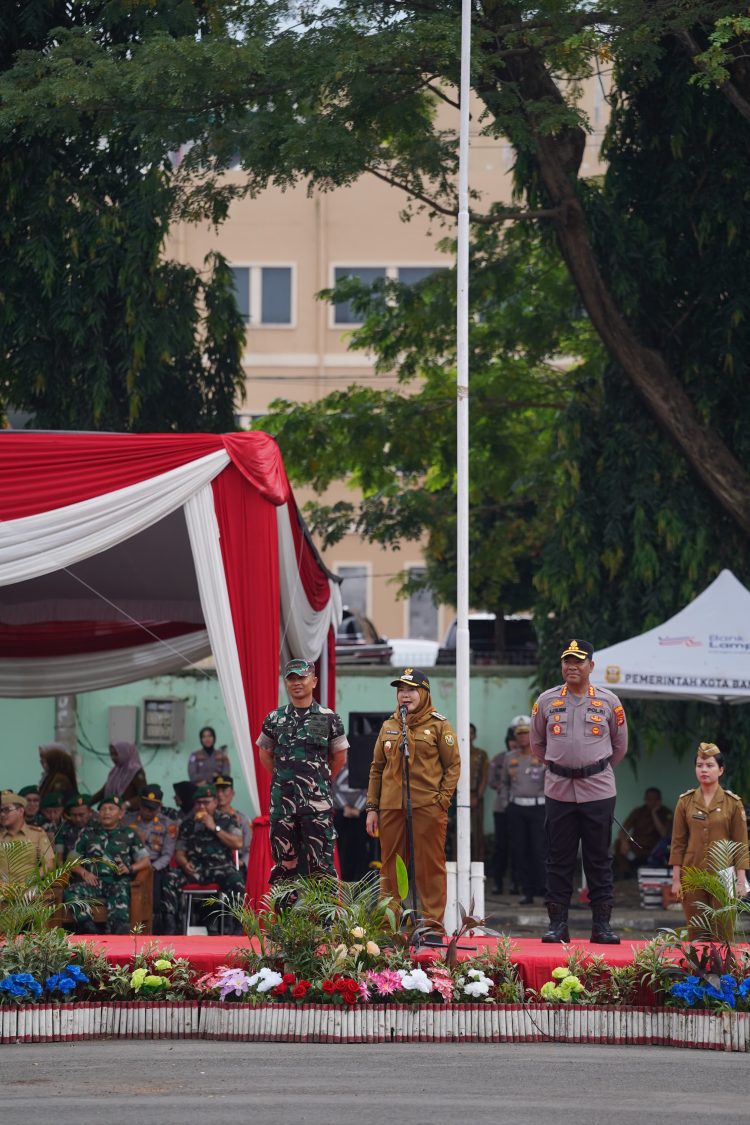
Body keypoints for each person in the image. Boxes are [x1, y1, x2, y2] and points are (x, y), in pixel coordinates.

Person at [530, 638, 628, 944]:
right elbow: (537, 745)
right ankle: (558, 924)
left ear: (591, 666)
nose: (572, 667)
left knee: (598, 859)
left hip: (598, 789)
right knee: (559, 859)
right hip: (558, 789)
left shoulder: (609, 702)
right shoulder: (545, 701)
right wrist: (564, 766)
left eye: (578, 661)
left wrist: (590, 769)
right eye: (567, 661)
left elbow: (619, 746)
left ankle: (602, 926)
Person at [366, 667, 460, 929]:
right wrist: (372, 807)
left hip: (428, 806)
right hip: (391, 808)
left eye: (411, 690)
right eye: (401, 690)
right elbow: (377, 768)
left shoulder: (439, 725)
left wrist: (442, 800)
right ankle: (389, 926)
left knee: (429, 868)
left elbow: (453, 766)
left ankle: (430, 926)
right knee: (391, 868)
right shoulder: (389, 725)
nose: (405, 695)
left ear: (424, 692)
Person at [257, 658, 349, 887]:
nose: (297, 682)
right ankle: (286, 922)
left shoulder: (329, 718)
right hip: (283, 805)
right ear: (286, 683)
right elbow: (265, 753)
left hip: (316, 806)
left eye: (302, 677)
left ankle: (324, 923)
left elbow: (339, 757)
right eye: (291, 678)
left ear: (314, 681)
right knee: (284, 866)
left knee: (321, 867)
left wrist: (321, 781)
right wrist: (282, 778)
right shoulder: (274, 718)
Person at [669, 742, 749, 939]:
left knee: (724, 933)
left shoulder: (733, 803)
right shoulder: (685, 801)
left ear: (721, 770)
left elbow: (740, 844)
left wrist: (741, 880)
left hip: (724, 875)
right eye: (699, 765)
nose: (704, 770)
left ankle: (725, 971)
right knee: (696, 930)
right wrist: (676, 879)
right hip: (692, 873)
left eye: (709, 765)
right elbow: (678, 842)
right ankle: (697, 971)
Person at [160, 784, 245, 933]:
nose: (201, 806)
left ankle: (236, 927)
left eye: (206, 802)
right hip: (196, 869)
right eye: (198, 803)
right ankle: (172, 927)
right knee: (169, 878)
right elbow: (180, 852)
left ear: (215, 802)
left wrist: (214, 827)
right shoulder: (188, 824)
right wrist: (185, 864)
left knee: (236, 879)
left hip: (221, 869)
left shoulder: (227, 820)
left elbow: (237, 843)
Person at [66, 795, 151, 934]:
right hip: (94, 883)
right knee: (71, 891)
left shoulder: (129, 834)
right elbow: (70, 861)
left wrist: (130, 869)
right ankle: (87, 927)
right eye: (103, 809)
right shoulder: (88, 833)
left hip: (118, 882)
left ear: (121, 814)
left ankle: (119, 931)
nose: (106, 812)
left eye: (111, 809)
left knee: (120, 892)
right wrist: (84, 872)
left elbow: (145, 861)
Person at [499, 715, 546, 904]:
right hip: (516, 808)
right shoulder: (510, 758)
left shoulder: (542, 756)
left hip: (538, 808)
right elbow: (504, 783)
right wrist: (506, 804)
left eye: (526, 733)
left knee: (539, 850)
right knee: (520, 851)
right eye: (519, 734)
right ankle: (526, 891)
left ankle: (543, 890)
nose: (522, 737)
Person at [122, 784, 177, 934]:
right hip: (131, 864)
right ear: (140, 804)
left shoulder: (168, 824)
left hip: (156, 866)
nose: (148, 811)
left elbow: (167, 854)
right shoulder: (126, 821)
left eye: (153, 808)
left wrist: (150, 868)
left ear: (160, 806)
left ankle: (157, 929)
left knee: (156, 896)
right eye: (146, 807)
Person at [487, 725, 521, 895]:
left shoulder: (524, 758)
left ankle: (516, 882)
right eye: (511, 740)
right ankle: (497, 882)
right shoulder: (499, 759)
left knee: (518, 847)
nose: (514, 744)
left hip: (518, 808)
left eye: (516, 740)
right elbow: (491, 780)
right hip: (501, 808)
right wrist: (503, 786)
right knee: (500, 847)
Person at [614, 787, 673, 879]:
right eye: (649, 800)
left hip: (655, 848)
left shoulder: (666, 813)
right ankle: (626, 874)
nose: (652, 802)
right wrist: (624, 842)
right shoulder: (638, 812)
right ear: (645, 800)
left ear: (659, 801)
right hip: (637, 846)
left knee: (669, 846)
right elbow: (623, 829)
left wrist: (654, 814)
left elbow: (664, 834)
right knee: (618, 843)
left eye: (655, 800)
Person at [0, 792, 54, 879]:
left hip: (28, 888)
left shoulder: (37, 834)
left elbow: (49, 864)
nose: (2, 814)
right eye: (1, 811)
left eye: (7, 810)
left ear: (20, 811)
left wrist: (30, 880)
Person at [332, 762, 370, 882]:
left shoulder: (364, 763)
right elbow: (332, 785)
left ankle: (360, 880)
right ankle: (343, 878)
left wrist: (359, 808)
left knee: (361, 849)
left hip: (362, 812)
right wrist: (345, 807)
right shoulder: (337, 762)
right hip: (340, 812)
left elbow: (370, 786)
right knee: (341, 848)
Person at [91, 741, 147, 809]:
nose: (113, 758)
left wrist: (127, 804)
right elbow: (104, 791)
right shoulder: (115, 771)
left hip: (131, 814)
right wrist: (87, 803)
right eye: (111, 754)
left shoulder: (136, 771)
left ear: (125, 753)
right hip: (114, 812)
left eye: (116, 754)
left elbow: (144, 795)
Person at [214, 775, 252, 869]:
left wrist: (243, 862)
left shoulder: (243, 819)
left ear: (232, 793)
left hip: (236, 864)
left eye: (223, 790)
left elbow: (249, 847)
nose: (219, 794)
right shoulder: (209, 818)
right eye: (217, 790)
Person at [55, 794, 93, 861]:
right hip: (67, 867)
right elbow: (59, 853)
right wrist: (62, 870)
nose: (78, 819)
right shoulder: (64, 828)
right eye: (74, 815)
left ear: (90, 812)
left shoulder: (98, 827)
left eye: (81, 815)